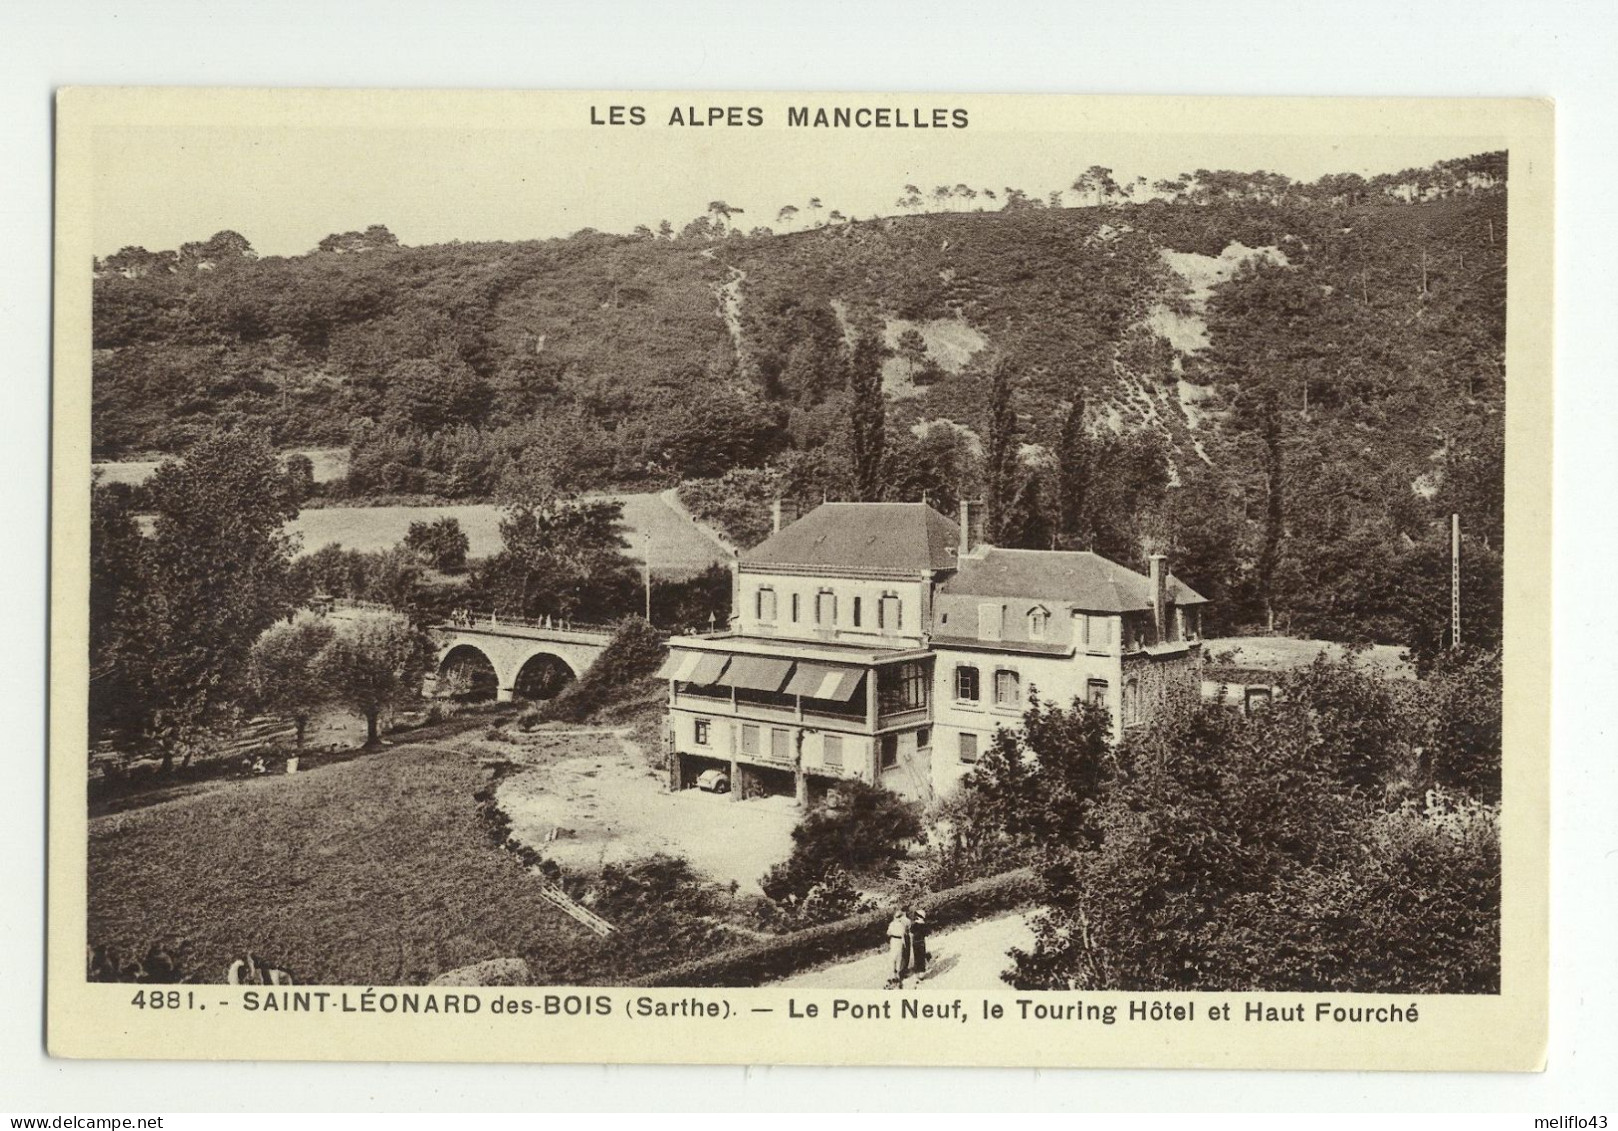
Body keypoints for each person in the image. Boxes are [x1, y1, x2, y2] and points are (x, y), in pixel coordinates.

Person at [886, 908, 912, 989]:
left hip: (893, 940)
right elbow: (903, 934)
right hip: (899, 941)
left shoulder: (891, 924)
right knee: (899, 957)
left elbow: (888, 933)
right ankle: (898, 974)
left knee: (893, 957)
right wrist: (904, 944)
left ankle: (893, 974)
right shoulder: (902, 924)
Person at [909, 906, 930, 978]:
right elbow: (927, 933)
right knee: (921, 956)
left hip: (915, 942)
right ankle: (921, 972)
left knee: (917, 956)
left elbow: (911, 932)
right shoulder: (924, 925)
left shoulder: (914, 925)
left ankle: (918, 971)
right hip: (921, 942)